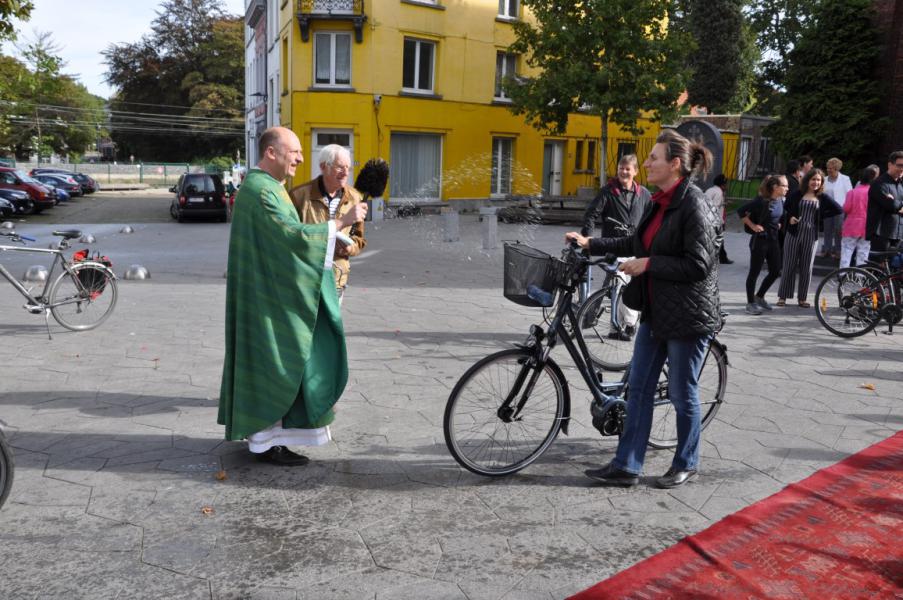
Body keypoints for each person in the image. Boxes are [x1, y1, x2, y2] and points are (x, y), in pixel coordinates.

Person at [565, 129, 721, 489]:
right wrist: (591, 244)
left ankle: (686, 462)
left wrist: (648, 265)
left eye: (653, 158)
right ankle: (627, 465)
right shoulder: (659, 201)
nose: (646, 163)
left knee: (683, 393)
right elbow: (635, 241)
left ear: (675, 164)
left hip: (687, 316)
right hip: (657, 311)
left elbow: (698, 264)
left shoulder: (693, 204)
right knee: (638, 388)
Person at [218, 127, 367, 466]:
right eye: (295, 151)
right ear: (272, 152)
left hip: (268, 293)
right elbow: (290, 237)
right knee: (277, 362)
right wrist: (338, 223)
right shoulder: (261, 190)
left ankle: (268, 437)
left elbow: (287, 239)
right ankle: (267, 441)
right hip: (267, 301)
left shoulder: (268, 187)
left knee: (276, 362)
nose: (301, 158)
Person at [579, 154, 651, 337]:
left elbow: (651, 219)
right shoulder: (608, 192)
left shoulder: (644, 194)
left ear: (635, 171)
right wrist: (588, 238)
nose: (624, 172)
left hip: (636, 247)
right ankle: (627, 324)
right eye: (621, 168)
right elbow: (591, 214)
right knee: (619, 283)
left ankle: (616, 327)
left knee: (624, 287)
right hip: (615, 247)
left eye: (628, 169)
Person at [289, 144, 367, 306]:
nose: (345, 172)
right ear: (323, 166)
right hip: (306, 278)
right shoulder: (298, 196)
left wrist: (349, 248)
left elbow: (359, 240)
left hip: (337, 277)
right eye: (340, 167)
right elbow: (289, 237)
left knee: (330, 327)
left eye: (348, 167)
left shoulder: (355, 198)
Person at [777, 168, 842, 308]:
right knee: (789, 265)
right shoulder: (796, 194)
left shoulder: (822, 197)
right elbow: (786, 207)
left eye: (819, 180)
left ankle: (802, 299)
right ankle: (783, 296)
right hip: (793, 234)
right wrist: (790, 218)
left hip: (811, 236)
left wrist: (820, 217)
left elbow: (838, 209)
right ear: (807, 180)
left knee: (807, 268)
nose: (816, 182)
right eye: (813, 179)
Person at [737, 175, 787, 315]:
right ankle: (750, 303)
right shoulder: (761, 201)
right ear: (775, 187)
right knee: (754, 273)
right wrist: (753, 226)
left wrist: (778, 223)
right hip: (760, 241)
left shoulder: (780, 200)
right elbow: (740, 211)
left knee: (775, 271)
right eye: (784, 186)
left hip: (774, 241)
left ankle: (759, 297)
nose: (787, 188)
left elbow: (778, 216)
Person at [840, 165, 879, 268]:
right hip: (867, 226)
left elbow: (846, 208)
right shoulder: (873, 193)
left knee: (847, 251)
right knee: (863, 251)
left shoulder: (852, 192)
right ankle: (861, 275)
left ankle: (842, 274)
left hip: (851, 226)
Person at [866, 150, 903, 251]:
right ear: (890, 165)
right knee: (878, 266)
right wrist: (896, 205)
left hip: (898, 234)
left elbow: (895, 205)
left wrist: (897, 204)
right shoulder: (879, 183)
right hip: (881, 234)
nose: (902, 169)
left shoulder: (901, 184)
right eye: (899, 165)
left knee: (897, 265)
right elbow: (892, 206)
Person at [820, 157, 853, 259]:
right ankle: (827, 250)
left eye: (831, 168)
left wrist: (848, 208)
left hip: (840, 209)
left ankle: (838, 250)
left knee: (839, 230)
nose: (828, 170)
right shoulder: (824, 179)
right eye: (828, 168)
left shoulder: (845, 179)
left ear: (837, 169)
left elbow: (850, 193)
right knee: (827, 229)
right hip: (827, 209)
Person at [704, 174, 733, 264]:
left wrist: (723, 203)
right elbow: (714, 208)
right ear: (722, 184)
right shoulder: (718, 192)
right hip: (715, 221)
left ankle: (722, 258)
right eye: (726, 184)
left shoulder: (710, 190)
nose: (727, 186)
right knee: (717, 241)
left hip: (707, 219)